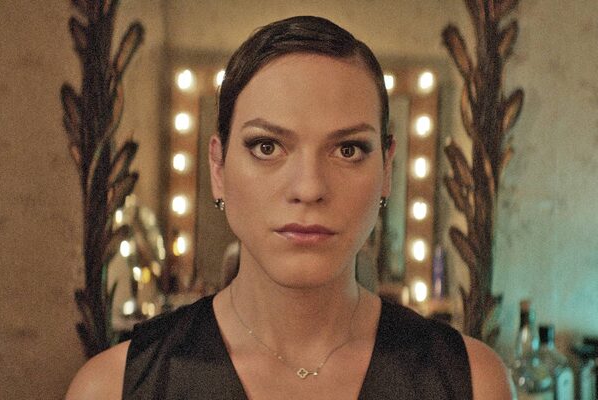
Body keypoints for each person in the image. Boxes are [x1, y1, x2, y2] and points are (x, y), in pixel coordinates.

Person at [66, 16, 513, 399]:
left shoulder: (471, 382)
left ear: (387, 169)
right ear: (218, 167)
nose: (309, 188)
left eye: (348, 150)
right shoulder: (112, 388)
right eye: (267, 146)